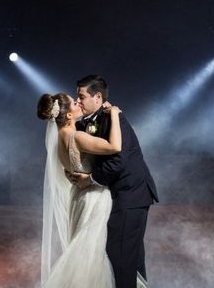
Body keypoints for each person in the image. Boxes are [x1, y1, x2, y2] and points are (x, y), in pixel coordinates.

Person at [69, 75, 158, 288]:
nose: (78, 101)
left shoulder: (114, 118)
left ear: (97, 97)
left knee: (121, 257)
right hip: (121, 196)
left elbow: (118, 161)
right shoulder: (90, 122)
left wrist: (89, 180)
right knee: (131, 258)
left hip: (131, 194)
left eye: (81, 97)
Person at [37, 92, 122, 287]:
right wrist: (115, 114)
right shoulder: (77, 137)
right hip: (93, 198)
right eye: (75, 102)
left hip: (76, 197)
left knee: (86, 250)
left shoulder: (59, 138)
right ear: (68, 115)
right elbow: (115, 146)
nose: (79, 103)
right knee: (90, 254)